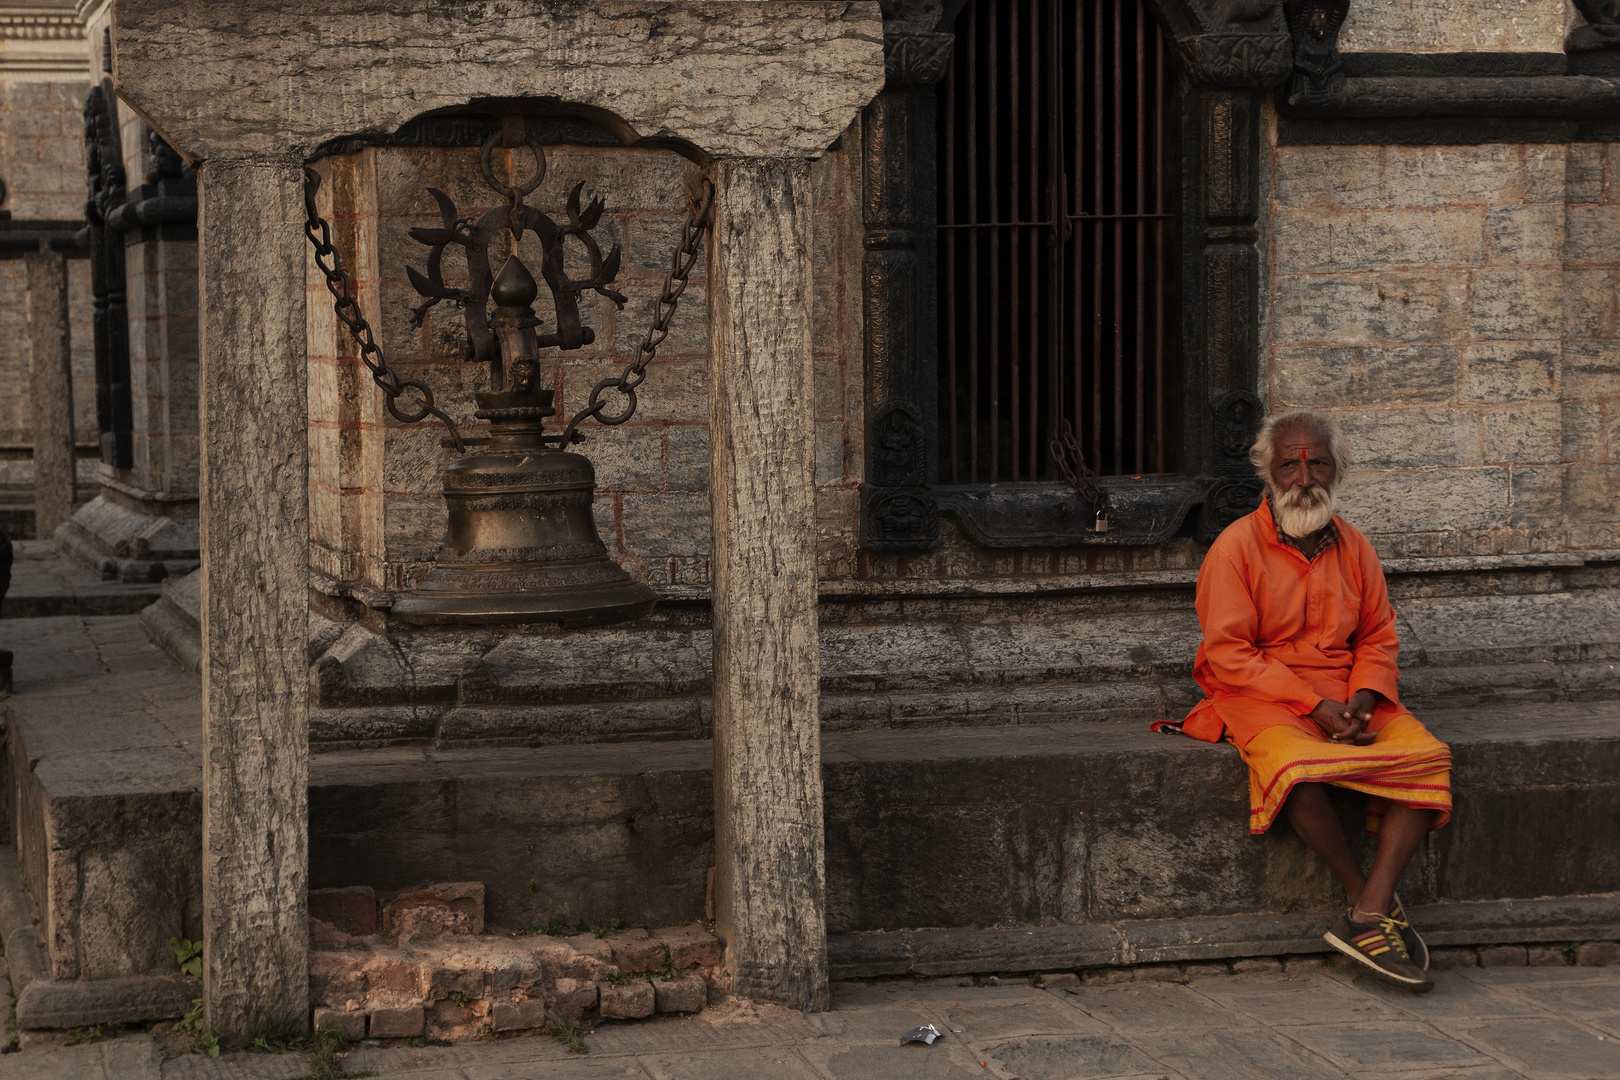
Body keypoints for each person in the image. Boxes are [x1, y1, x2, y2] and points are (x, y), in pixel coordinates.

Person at [1163, 409, 1451, 992]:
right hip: (1259, 691)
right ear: (1269, 472)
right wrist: (1312, 706)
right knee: (1296, 770)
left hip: (1349, 692)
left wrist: (1365, 700)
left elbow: (1376, 636)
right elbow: (1229, 653)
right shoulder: (1235, 547)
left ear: (1336, 470)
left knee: (1430, 759)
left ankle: (1367, 915)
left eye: (1316, 463)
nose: (1303, 477)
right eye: (1290, 464)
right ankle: (1364, 900)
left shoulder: (1356, 546)